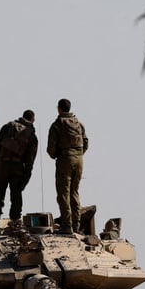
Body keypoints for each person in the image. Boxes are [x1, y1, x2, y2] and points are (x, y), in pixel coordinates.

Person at [0, 109, 38, 237]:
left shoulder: (8, 126)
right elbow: (30, 160)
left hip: (2, 165)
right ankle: (15, 225)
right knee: (16, 196)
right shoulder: (31, 134)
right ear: (33, 120)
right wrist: (26, 178)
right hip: (17, 167)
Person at [46, 98, 88, 234]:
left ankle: (66, 225)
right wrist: (78, 154)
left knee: (63, 193)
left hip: (65, 160)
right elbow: (85, 141)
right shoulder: (78, 123)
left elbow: (51, 149)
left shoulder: (57, 124)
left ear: (59, 108)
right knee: (74, 192)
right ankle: (76, 223)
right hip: (79, 159)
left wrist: (59, 155)